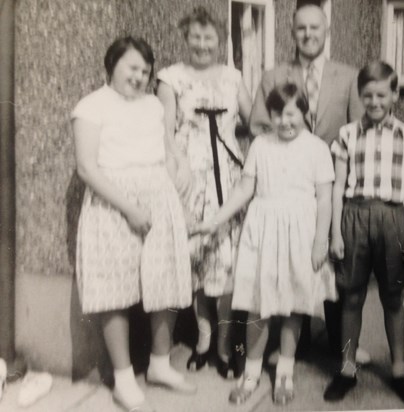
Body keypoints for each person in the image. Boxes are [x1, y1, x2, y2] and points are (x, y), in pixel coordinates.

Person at [72, 36, 196, 412]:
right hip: (113, 203)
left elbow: (167, 147)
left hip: (158, 195)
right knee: (116, 289)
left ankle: (159, 364)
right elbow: (87, 168)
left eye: (146, 70)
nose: (140, 77)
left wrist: (180, 166)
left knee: (166, 281)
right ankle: (124, 379)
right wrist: (128, 207)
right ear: (111, 66)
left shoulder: (153, 107)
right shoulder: (90, 107)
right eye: (132, 68)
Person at [194, 83, 338, 406]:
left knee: (292, 306)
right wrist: (216, 220)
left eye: (292, 114)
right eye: (278, 115)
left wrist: (320, 241)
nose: (285, 122)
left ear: (304, 112)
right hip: (263, 229)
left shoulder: (317, 148)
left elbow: (326, 199)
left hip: (301, 232)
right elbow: (245, 189)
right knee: (258, 305)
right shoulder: (260, 145)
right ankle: (251, 373)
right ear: (269, 116)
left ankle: (285, 372)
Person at [249, 3, 369, 363]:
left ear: (327, 30)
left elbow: (358, 132)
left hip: (333, 183)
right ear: (292, 31)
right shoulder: (273, 76)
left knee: (333, 262)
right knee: (291, 261)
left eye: (315, 28)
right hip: (289, 186)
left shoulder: (348, 76)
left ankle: (339, 343)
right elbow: (258, 124)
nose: (308, 35)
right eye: (301, 28)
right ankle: (293, 345)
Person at [156, 6, 252, 379]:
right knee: (196, 260)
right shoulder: (171, 77)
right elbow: (164, 130)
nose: (201, 44)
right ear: (185, 38)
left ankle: (227, 344)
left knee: (227, 261)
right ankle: (203, 339)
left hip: (228, 179)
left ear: (220, 40)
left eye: (208, 37)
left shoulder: (232, 76)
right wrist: (178, 169)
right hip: (189, 177)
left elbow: (255, 119)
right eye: (194, 37)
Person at [323, 61, 404, 406]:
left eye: (382, 95)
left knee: (393, 298)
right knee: (351, 297)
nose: (375, 102)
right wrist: (335, 233)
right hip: (354, 217)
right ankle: (347, 368)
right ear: (360, 96)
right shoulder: (348, 134)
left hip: (393, 219)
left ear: (395, 94)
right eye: (368, 96)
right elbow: (336, 189)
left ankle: (399, 369)